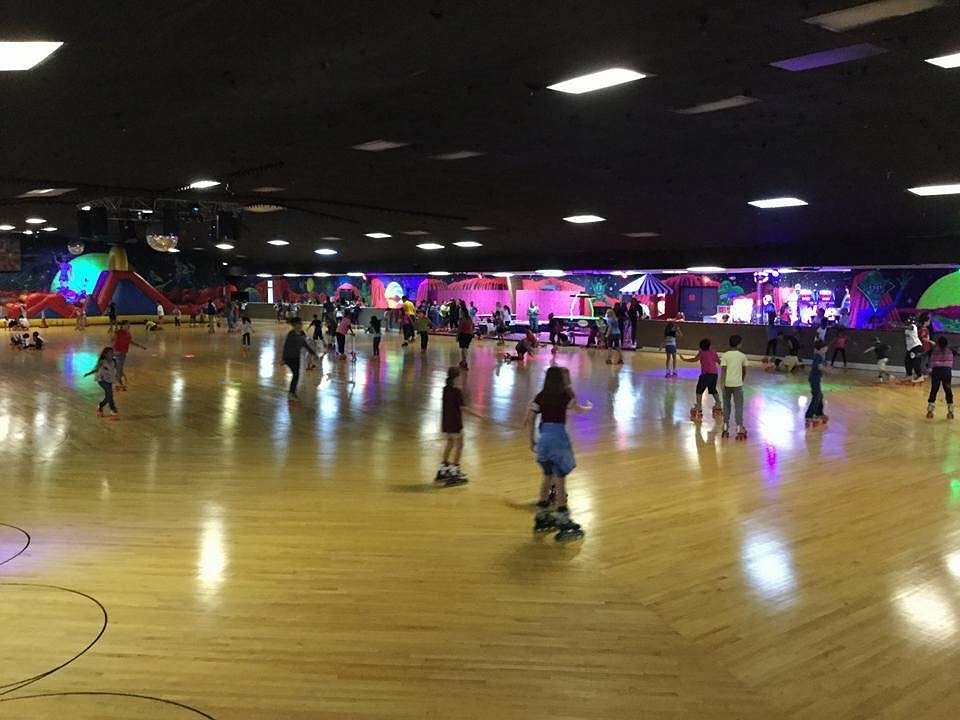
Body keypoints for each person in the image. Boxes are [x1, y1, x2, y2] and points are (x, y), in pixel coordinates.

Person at [525, 366, 592, 541]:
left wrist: (531, 440)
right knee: (560, 480)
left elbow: (531, 417)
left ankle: (541, 516)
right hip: (558, 440)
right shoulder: (564, 396)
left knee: (547, 477)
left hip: (544, 440)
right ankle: (563, 518)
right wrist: (587, 407)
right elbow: (577, 408)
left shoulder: (541, 396)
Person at [436, 366, 479, 486]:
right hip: (455, 422)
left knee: (450, 443)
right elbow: (463, 408)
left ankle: (443, 468)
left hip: (446, 421)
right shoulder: (456, 392)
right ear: (456, 377)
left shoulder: (445, 389)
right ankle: (455, 470)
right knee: (460, 445)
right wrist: (478, 415)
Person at [680, 339, 721, 421]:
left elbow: (694, 359)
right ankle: (718, 404)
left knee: (699, 390)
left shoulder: (701, 352)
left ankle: (699, 406)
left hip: (705, 375)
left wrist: (685, 359)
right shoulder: (713, 352)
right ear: (709, 346)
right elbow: (719, 361)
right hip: (714, 374)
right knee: (713, 389)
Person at [719, 334, 748, 439]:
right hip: (737, 384)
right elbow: (744, 371)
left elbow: (723, 371)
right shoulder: (742, 356)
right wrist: (741, 380)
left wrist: (721, 383)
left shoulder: (725, 355)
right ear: (739, 344)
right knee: (738, 406)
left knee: (726, 405)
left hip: (727, 383)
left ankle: (726, 426)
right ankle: (740, 427)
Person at [282, 318, 318, 400]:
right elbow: (286, 346)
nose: (301, 325)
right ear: (295, 325)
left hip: (296, 357)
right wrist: (283, 358)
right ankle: (291, 393)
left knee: (296, 375)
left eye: (301, 323)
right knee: (296, 375)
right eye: (299, 324)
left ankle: (292, 393)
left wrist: (314, 354)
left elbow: (305, 344)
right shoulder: (291, 334)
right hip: (290, 358)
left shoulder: (301, 334)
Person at [926, 336, 957, 419]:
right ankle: (950, 410)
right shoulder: (951, 350)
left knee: (934, 389)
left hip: (936, 372)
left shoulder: (933, 350)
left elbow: (924, 354)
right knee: (948, 389)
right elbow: (956, 353)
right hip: (947, 373)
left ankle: (930, 409)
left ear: (938, 343)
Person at [84, 347, 119, 417]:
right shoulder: (102, 361)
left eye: (112, 352)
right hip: (101, 380)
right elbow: (97, 369)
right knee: (110, 393)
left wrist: (120, 378)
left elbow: (116, 370)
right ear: (105, 354)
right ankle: (112, 408)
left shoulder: (114, 361)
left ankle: (101, 406)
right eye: (110, 353)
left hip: (109, 380)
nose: (112, 354)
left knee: (108, 395)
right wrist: (89, 373)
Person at [112, 321, 146, 390]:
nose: (128, 326)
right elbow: (113, 339)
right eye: (127, 325)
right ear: (122, 326)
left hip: (124, 352)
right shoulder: (119, 332)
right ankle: (118, 381)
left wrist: (140, 346)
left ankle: (118, 379)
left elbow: (130, 341)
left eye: (129, 325)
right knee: (119, 367)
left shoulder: (128, 333)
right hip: (118, 351)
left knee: (120, 367)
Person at [804, 339, 829, 429]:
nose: (826, 349)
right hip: (814, 379)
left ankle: (819, 413)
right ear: (821, 349)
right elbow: (820, 367)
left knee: (820, 396)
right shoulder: (818, 356)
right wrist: (827, 370)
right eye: (825, 348)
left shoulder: (819, 356)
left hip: (816, 379)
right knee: (816, 396)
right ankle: (809, 416)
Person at [904, 318, 924, 383]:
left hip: (916, 347)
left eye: (908, 322)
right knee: (907, 362)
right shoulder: (906, 329)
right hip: (909, 348)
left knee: (916, 363)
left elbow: (910, 327)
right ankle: (909, 375)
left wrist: (898, 325)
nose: (906, 323)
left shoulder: (913, 327)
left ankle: (920, 377)